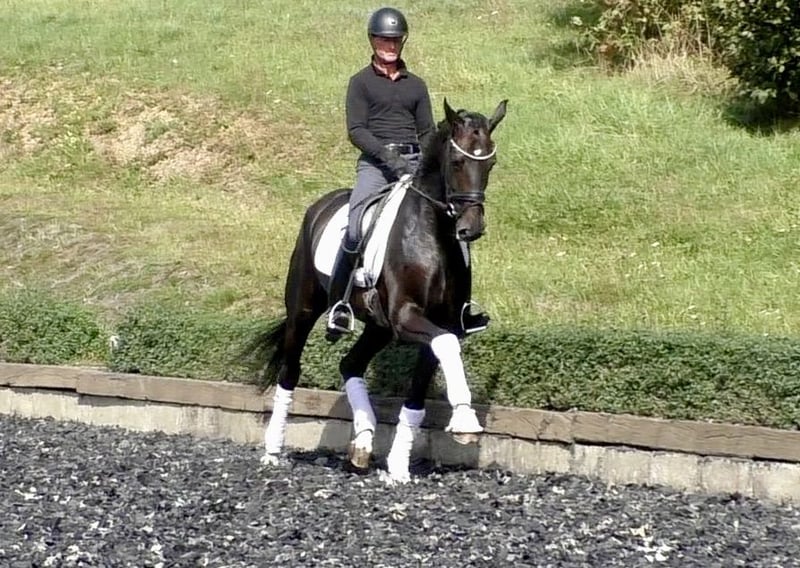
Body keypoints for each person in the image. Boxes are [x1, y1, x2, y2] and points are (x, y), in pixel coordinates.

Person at [325, 6, 489, 340]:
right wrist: (388, 157)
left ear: (402, 42)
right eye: (384, 40)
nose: (390, 46)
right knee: (355, 226)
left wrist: (424, 164)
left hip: (414, 162)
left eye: (395, 40)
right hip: (375, 165)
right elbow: (357, 130)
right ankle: (340, 305)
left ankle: (461, 310)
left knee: (454, 225)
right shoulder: (360, 83)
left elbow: (426, 131)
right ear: (373, 41)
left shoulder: (416, 85)